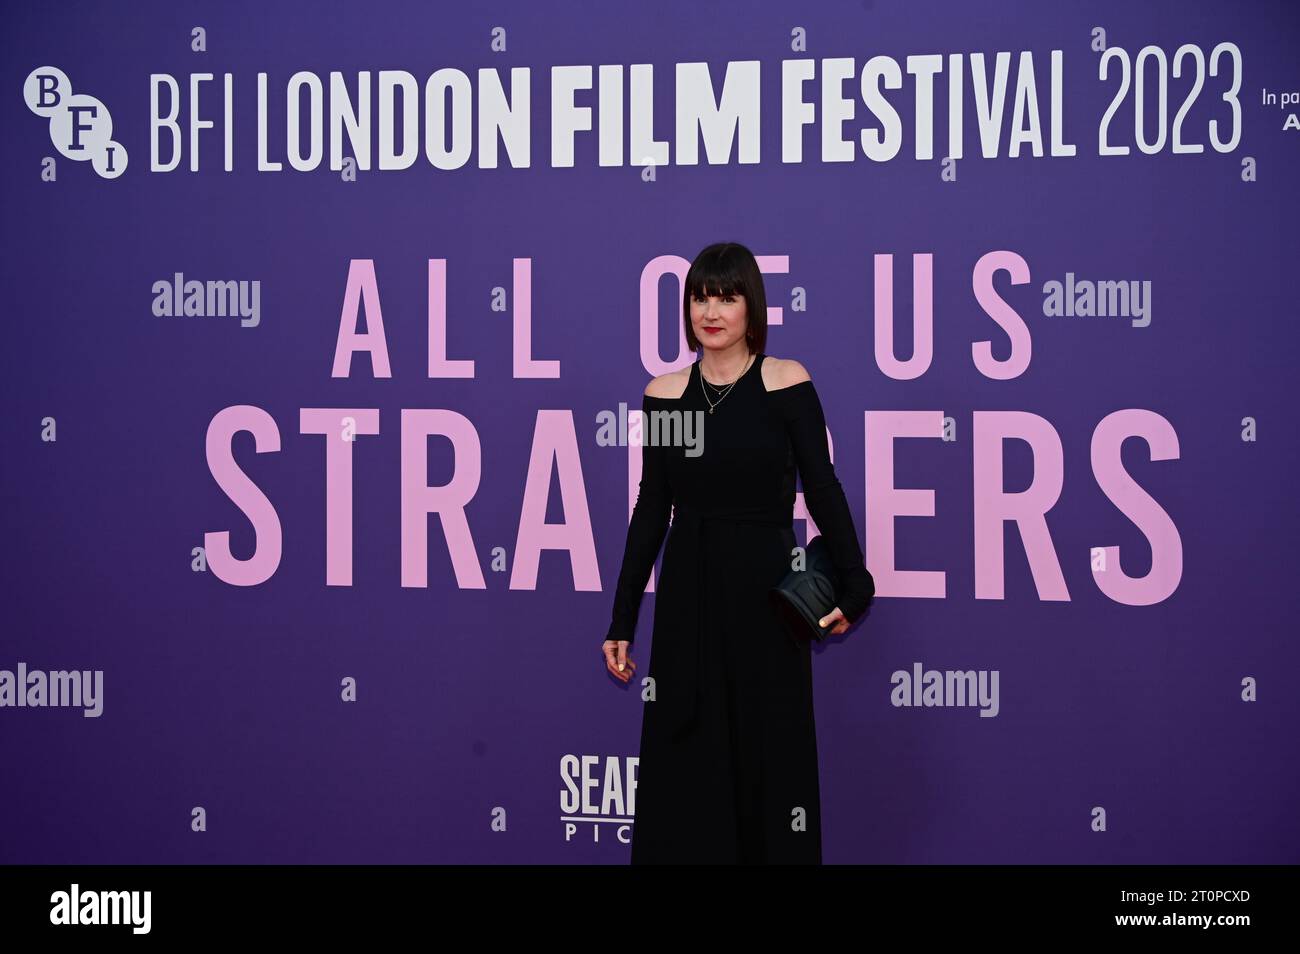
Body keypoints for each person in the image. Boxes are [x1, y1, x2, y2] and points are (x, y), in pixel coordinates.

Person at [602, 241, 875, 864]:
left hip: (767, 596)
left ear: (752, 306)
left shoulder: (785, 383)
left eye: (726, 296)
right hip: (688, 598)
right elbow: (652, 508)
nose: (711, 309)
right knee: (686, 751)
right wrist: (622, 618)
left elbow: (823, 486)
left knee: (768, 753)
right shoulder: (668, 395)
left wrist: (857, 588)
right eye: (700, 296)